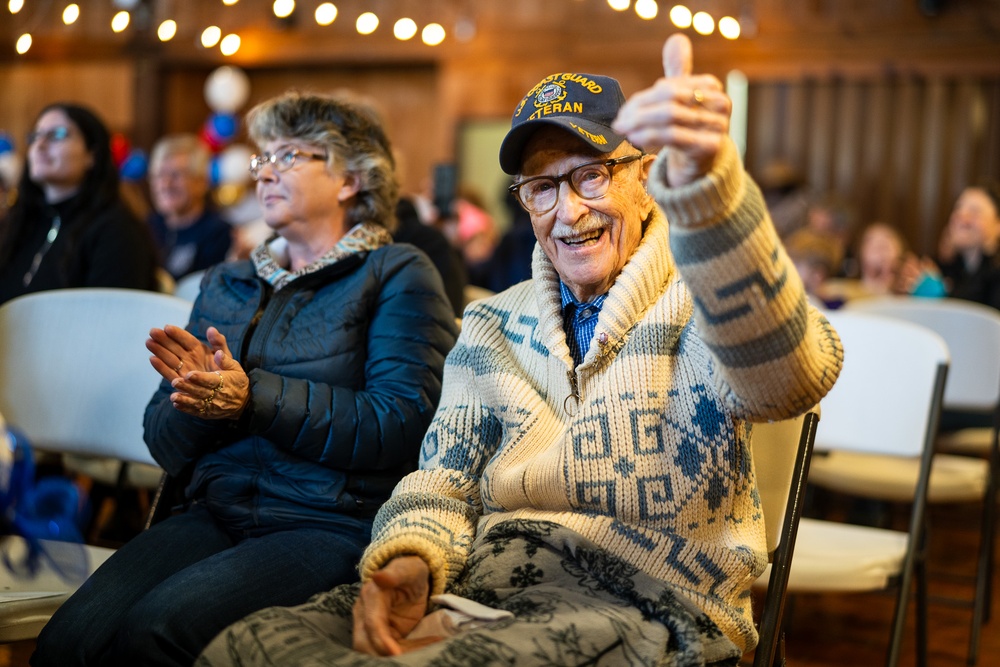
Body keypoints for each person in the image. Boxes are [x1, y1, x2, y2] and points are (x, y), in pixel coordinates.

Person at [197, 34, 843, 666]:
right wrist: (409, 560)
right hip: (488, 583)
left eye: (591, 175)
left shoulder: (703, 301)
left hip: (651, 601)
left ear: (644, 176)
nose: (568, 211)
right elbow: (441, 482)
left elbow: (789, 382)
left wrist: (711, 197)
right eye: (541, 187)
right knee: (241, 647)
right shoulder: (490, 325)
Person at [30, 91, 458, 667]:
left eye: (290, 156)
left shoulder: (397, 272)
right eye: (263, 157)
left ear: (352, 179)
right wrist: (194, 400)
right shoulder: (229, 281)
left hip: (327, 523)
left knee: (156, 631)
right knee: (68, 640)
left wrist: (250, 399)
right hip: (214, 510)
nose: (265, 173)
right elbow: (161, 442)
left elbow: (401, 424)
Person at [0, 103, 159, 305]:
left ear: (92, 155)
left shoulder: (116, 231)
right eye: (35, 136)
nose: (39, 146)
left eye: (57, 135)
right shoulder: (20, 223)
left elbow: (112, 319)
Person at [147, 133, 233, 281]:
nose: (165, 184)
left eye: (176, 175)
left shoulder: (219, 234)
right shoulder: (146, 227)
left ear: (201, 182)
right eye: (160, 175)